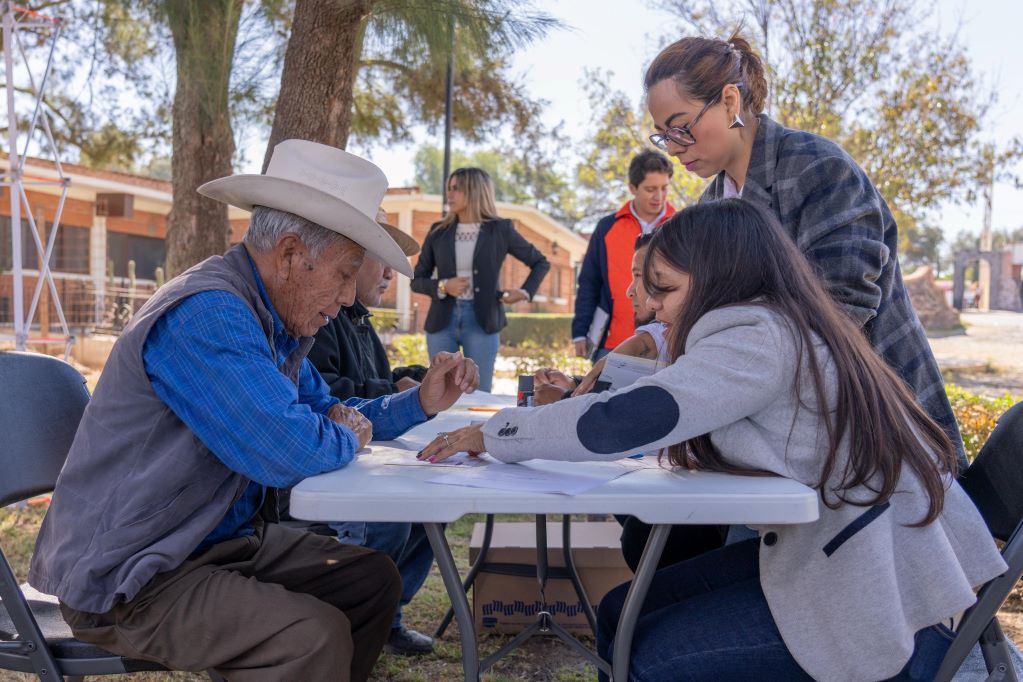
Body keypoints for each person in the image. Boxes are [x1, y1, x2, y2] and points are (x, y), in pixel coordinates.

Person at [417, 200, 1006, 681]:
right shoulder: (780, 323)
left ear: (721, 279)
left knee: (639, 653)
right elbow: (673, 394)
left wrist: (496, 433)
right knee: (621, 611)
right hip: (871, 567)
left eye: (665, 289)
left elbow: (625, 421)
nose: (651, 307)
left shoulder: (755, 339)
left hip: (888, 604)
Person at [29, 141, 479, 682]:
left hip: (212, 545)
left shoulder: (267, 319)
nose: (344, 298)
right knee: (311, 636)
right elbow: (287, 448)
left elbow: (331, 411)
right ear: (290, 253)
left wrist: (420, 401)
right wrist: (345, 435)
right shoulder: (209, 314)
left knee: (370, 579)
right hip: (136, 575)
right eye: (343, 273)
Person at [643, 31, 967, 464]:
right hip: (773, 433)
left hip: (870, 435)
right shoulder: (712, 207)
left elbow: (841, 312)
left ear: (730, 102)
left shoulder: (820, 170)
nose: (675, 147)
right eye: (664, 135)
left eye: (681, 126)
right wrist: (650, 346)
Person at [299, 211, 435, 656]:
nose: (390, 277)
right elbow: (327, 397)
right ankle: (366, 624)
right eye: (383, 264)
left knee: (425, 511)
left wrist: (416, 380)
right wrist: (395, 393)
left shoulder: (357, 319)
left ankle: (384, 617)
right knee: (391, 513)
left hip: (356, 456)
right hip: (324, 474)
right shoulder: (317, 318)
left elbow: (359, 388)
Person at [412, 167, 549, 392]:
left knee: (479, 393)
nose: (450, 194)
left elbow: (540, 262)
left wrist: (524, 292)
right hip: (441, 323)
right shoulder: (438, 231)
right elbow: (417, 279)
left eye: (456, 188)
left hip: (482, 322)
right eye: (449, 188)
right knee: (438, 392)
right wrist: (444, 286)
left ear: (474, 191)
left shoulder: (500, 229)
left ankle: (474, 430)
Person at [572, 150, 676, 362]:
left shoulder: (680, 226)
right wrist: (580, 331)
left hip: (664, 345)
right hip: (611, 344)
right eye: (650, 189)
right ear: (632, 188)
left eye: (664, 188)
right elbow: (590, 281)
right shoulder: (607, 227)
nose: (659, 197)